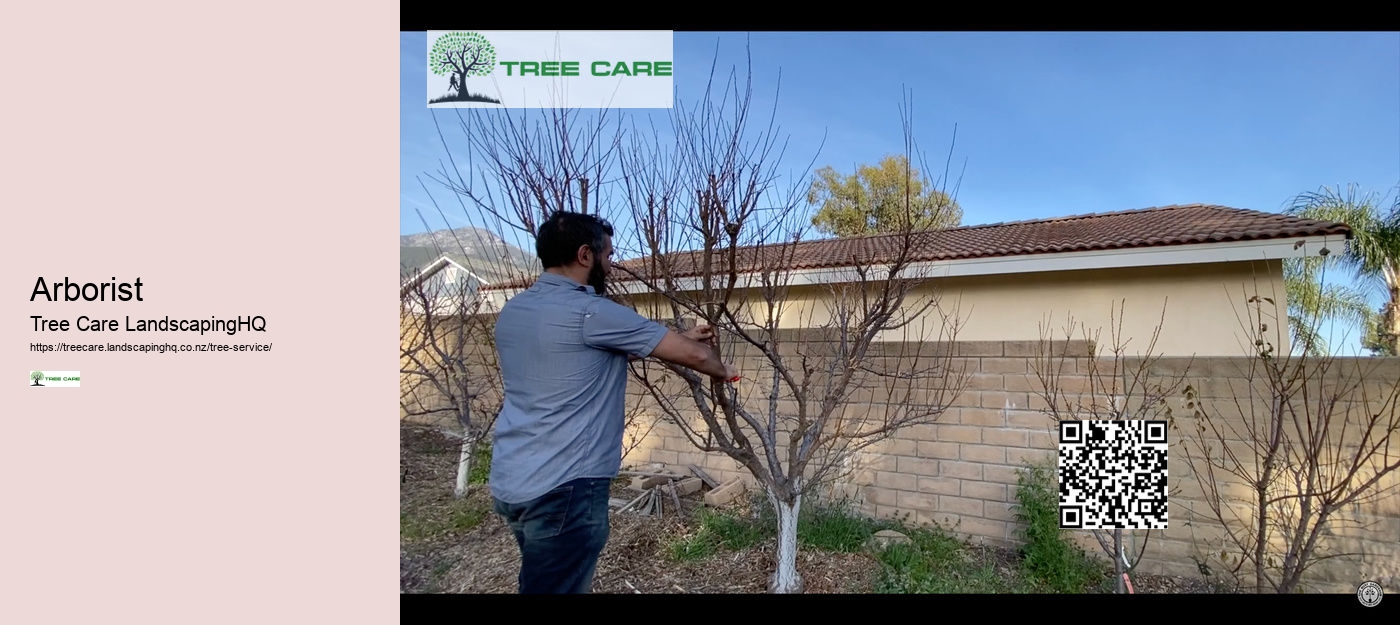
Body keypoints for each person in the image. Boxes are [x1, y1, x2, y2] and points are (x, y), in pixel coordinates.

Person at [489, 210, 740, 594]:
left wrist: (682, 334)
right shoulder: (592, 311)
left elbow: (590, 353)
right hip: (565, 488)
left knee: (541, 581)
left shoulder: (514, 311)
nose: (612, 264)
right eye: (608, 255)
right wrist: (726, 373)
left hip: (513, 480)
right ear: (585, 255)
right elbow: (700, 359)